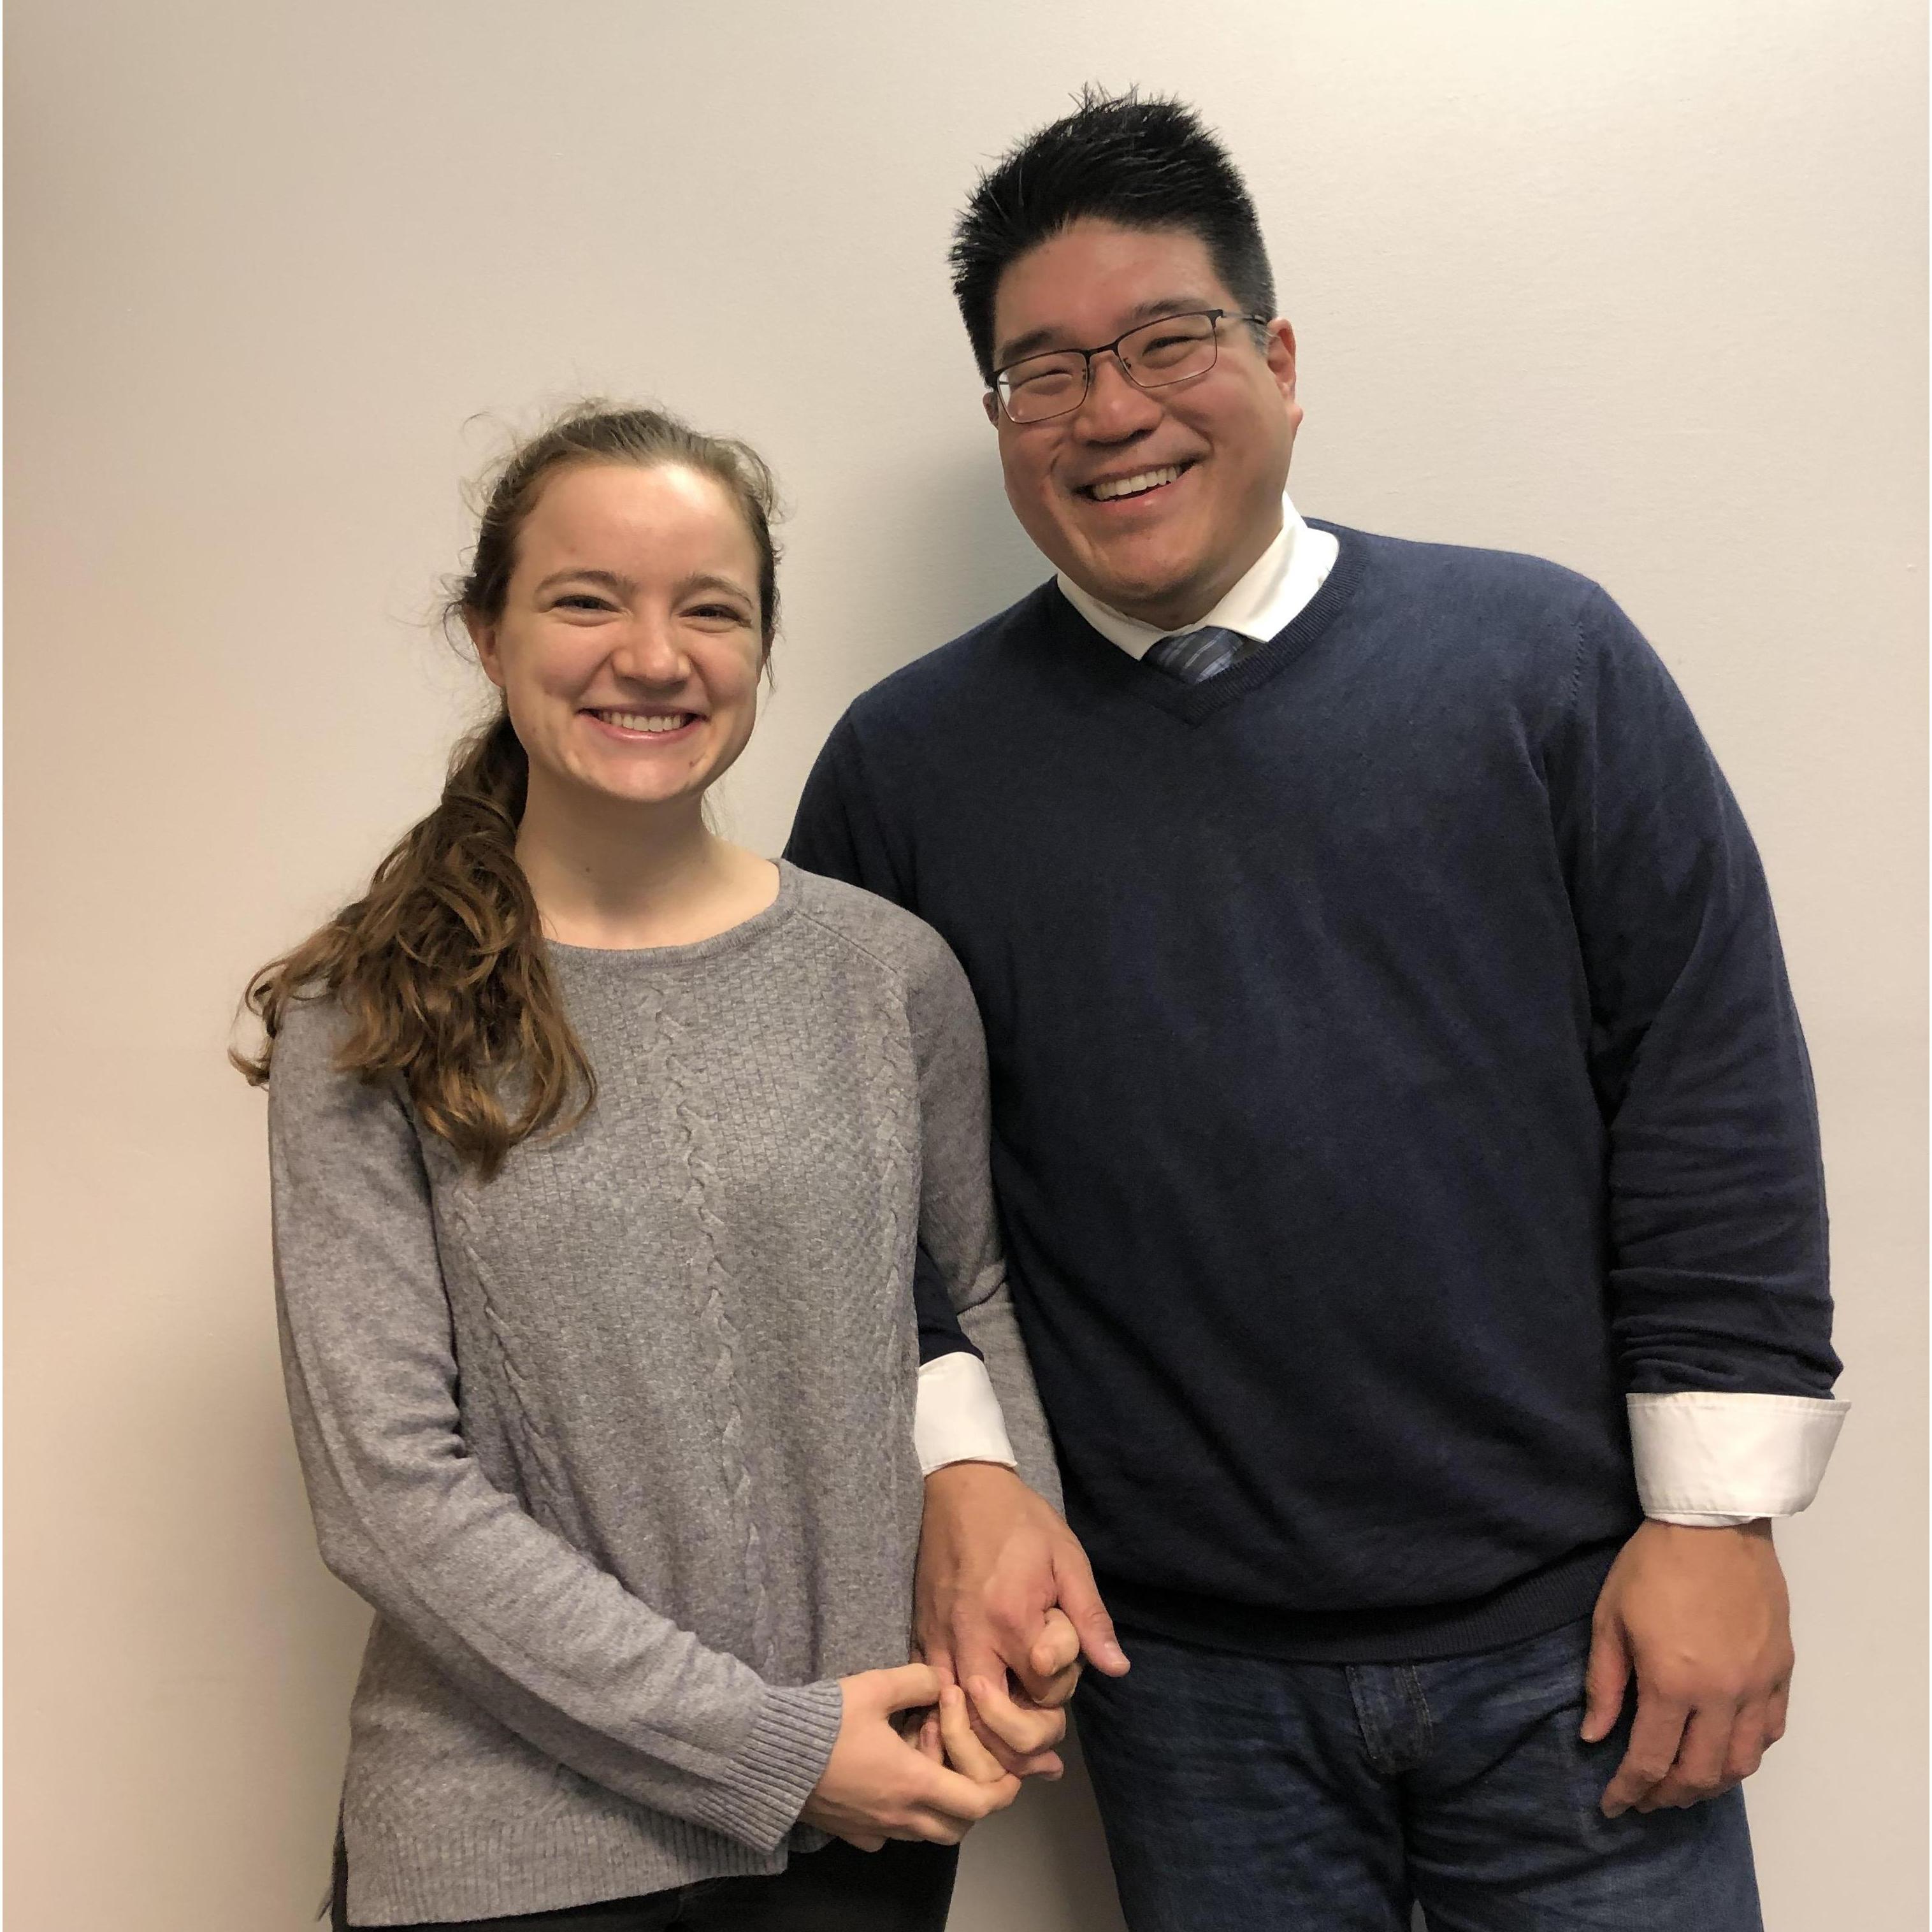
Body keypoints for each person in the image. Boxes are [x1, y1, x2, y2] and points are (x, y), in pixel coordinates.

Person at [784, 91, 1849, 1931]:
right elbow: (847, 1190)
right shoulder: (907, 768)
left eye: (1168, 342)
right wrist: (958, 1472)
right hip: (1181, 1682)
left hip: (1581, 1636)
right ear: (1002, 426)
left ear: (1277, 361)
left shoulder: (1540, 662)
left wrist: (1717, 1521)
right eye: (1045, 373)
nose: (1111, 410)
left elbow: (1710, 1082)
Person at [236, 403, 1083, 1931]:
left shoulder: (886, 974)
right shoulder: (364, 1014)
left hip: (864, 1826)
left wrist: (1006, 1584)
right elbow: (386, 1493)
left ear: (762, 648)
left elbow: (960, 1303)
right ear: (487, 634)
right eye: (586, 601)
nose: (653, 655)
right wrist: (768, 1747)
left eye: (710, 608)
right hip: (508, 1852)